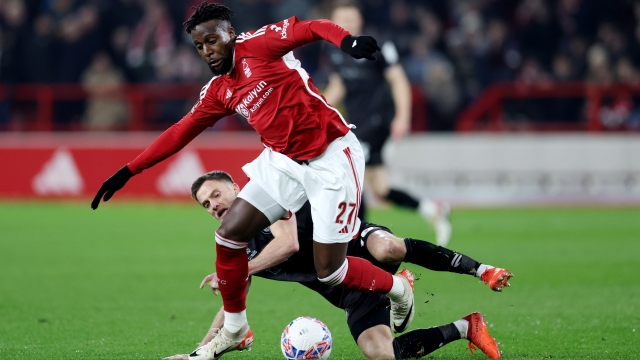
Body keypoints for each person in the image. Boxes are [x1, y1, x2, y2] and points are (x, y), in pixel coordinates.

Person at [91, 3, 416, 359]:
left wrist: (346, 42)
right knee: (228, 235)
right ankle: (234, 328)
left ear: (230, 34)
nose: (207, 51)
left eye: (212, 40)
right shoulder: (219, 90)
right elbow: (179, 132)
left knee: (331, 272)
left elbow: (312, 26)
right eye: (200, 46)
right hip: (282, 161)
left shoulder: (260, 44)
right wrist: (130, 169)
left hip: (332, 157)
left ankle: (399, 288)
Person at [164, 170, 511, 360]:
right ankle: (467, 328)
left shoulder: (270, 200)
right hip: (350, 290)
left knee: (388, 248)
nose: (212, 205)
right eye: (205, 204)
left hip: (357, 243)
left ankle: (481, 270)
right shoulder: (236, 247)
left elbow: (288, 244)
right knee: (381, 354)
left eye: (216, 194)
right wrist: (200, 352)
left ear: (236, 188)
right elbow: (233, 306)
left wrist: (234, 273)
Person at [322, 1, 452, 247]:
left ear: (360, 20)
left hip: (376, 120)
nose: (347, 23)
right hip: (356, 123)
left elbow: (398, 80)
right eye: (342, 19)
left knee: (353, 177)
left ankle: (357, 242)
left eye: (351, 18)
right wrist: (314, 110)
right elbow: (339, 86)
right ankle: (431, 208)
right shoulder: (333, 50)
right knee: (379, 187)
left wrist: (403, 116)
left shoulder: (377, 44)